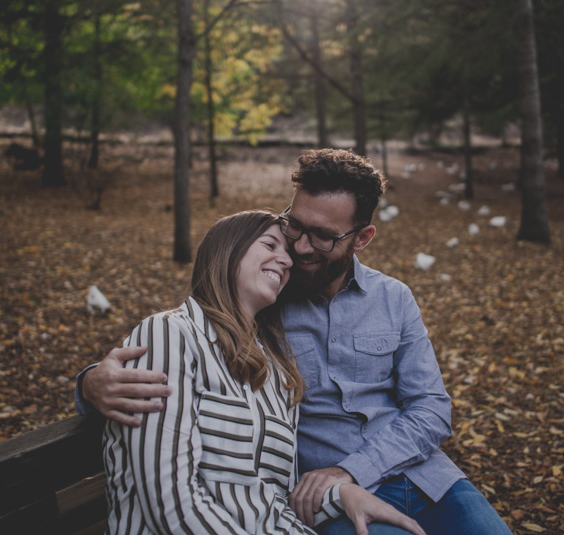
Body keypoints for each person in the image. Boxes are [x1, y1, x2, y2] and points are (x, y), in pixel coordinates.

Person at [80, 150, 513, 535]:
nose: (299, 248)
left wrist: (348, 472)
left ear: (361, 239)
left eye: (322, 236)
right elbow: (195, 327)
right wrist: (90, 385)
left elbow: (431, 408)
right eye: (294, 226)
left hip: (422, 476)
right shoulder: (267, 297)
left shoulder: (393, 298)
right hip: (325, 506)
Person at [101, 209, 425, 535]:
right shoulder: (171, 334)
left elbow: (273, 501)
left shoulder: (274, 369)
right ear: (228, 249)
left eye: (286, 253)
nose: (285, 261)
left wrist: (342, 494)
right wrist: (87, 384)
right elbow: (168, 503)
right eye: (271, 245)